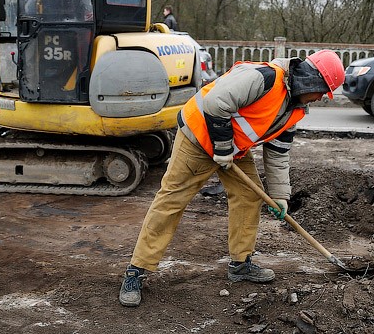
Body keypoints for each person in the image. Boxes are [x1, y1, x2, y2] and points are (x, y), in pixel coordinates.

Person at [119, 50, 346, 307]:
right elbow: (216, 103)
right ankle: (136, 271)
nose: (318, 99)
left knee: (250, 195)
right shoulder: (264, 78)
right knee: (172, 200)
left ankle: (240, 264)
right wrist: (223, 148)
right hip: (198, 138)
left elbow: (278, 154)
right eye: (321, 91)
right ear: (311, 79)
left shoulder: (295, 109)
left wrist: (281, 195)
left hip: (232, 148)